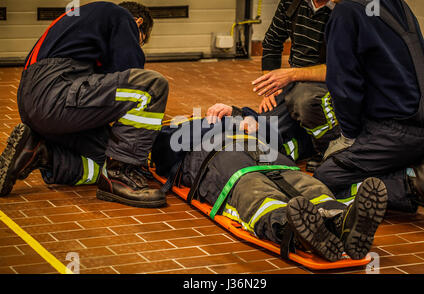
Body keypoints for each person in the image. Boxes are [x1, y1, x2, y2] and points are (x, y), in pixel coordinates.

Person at [151, 106, 388, 262]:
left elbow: (276, 135)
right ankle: (288, 227)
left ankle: (340, 220)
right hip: (217, 157)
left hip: (265, 152)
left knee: (303, 182)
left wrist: (247, 118)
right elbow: (165, 152)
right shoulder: (178, 127)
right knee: (250, 187)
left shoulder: (245, 119)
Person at [0, 2, 169, 208]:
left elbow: (107, 91)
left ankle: (41, 154)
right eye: (140, 41)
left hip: (37, 102)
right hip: (56, 92)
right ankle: (120, 178)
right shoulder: (122, 17)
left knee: (110, 156)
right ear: (138, 23)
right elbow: (132, 75)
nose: (135, 44)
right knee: (150, 87)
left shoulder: (87, 23)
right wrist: (145, 135)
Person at [314, 0, 424, 230]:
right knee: (366, 161)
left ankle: (411, 184)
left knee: (327, 178)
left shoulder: (346, 13)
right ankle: (415, 171)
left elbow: (344, 86)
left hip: (398, 133)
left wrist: (349, 136)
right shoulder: (395, 3)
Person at [251, 0, 341, 171]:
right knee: (264, 135)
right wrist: (271, 88)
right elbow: (272, 42)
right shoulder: (290, 2)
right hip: (295, 81)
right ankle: (306, 143)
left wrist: (290, 74)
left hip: (332, 84)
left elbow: (341, 70)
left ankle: (332, 150)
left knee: (303, 100)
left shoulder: (346, 10)